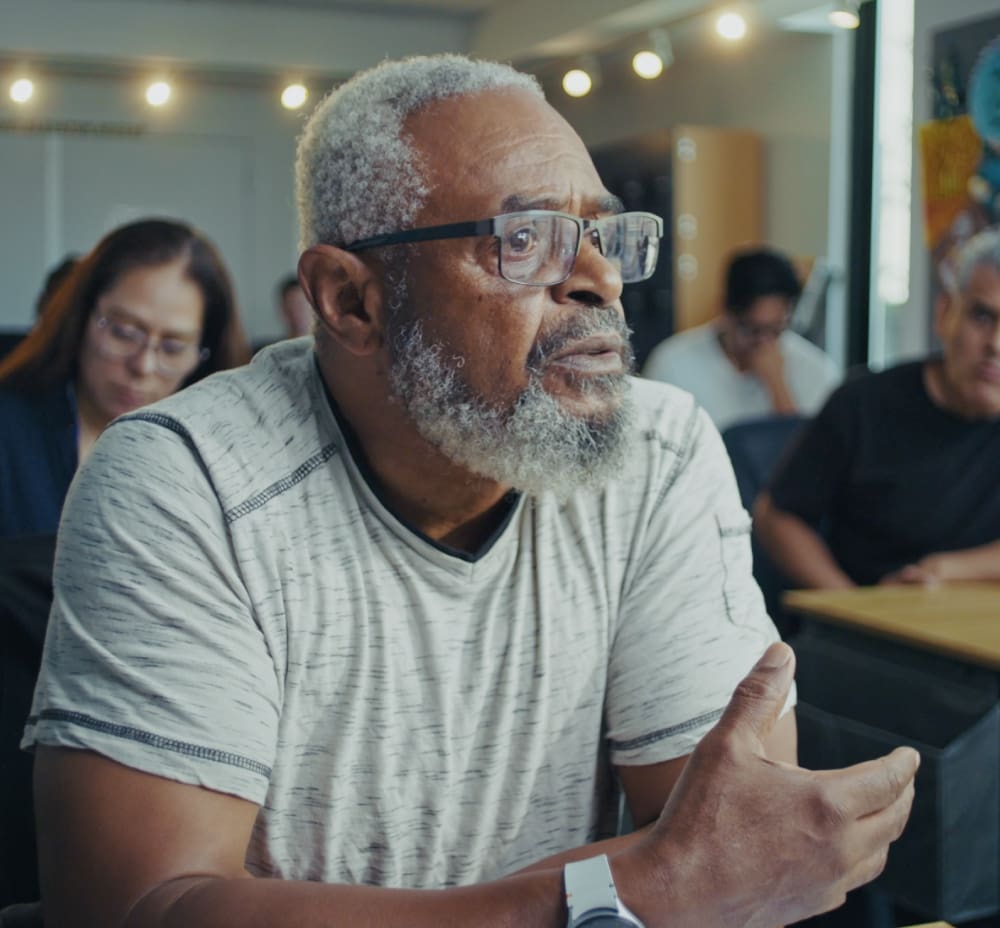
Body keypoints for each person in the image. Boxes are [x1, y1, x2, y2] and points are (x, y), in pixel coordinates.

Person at [24, 55, 917, 928]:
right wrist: (619, 895)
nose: (600, 279)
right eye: (525, 240)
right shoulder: (188, 481)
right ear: (351, 300)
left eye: (604, 234)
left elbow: (734, 860)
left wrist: (670, 879)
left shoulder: (661, 449)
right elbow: (141, 905)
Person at [755, 226, 1000, 588]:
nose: (995, 344)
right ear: (945, 313)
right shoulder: (863, 403)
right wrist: (851, 606)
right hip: (864, 627)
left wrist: (944, 569)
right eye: (982, 316)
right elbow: (775, 516)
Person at [0, 218, 251, 539]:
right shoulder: (10, 430)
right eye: (123, 332)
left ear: (204, 353)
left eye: (173, 347)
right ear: (81, 316)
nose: (143, 365)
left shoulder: (219, 462)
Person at [642, 247, 840, 431]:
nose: (766, 342)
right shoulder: (673, 364)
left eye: (777, 329)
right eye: (754, 330)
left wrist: (778, 385)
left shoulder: (816, 370)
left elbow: (810, 459)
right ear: (723, 309)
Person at [276, 272, 315, 337]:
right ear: (283, 309)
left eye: (301, 304)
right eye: (290, 305)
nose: (296, 312)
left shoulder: (333, 345)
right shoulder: (270, 346)